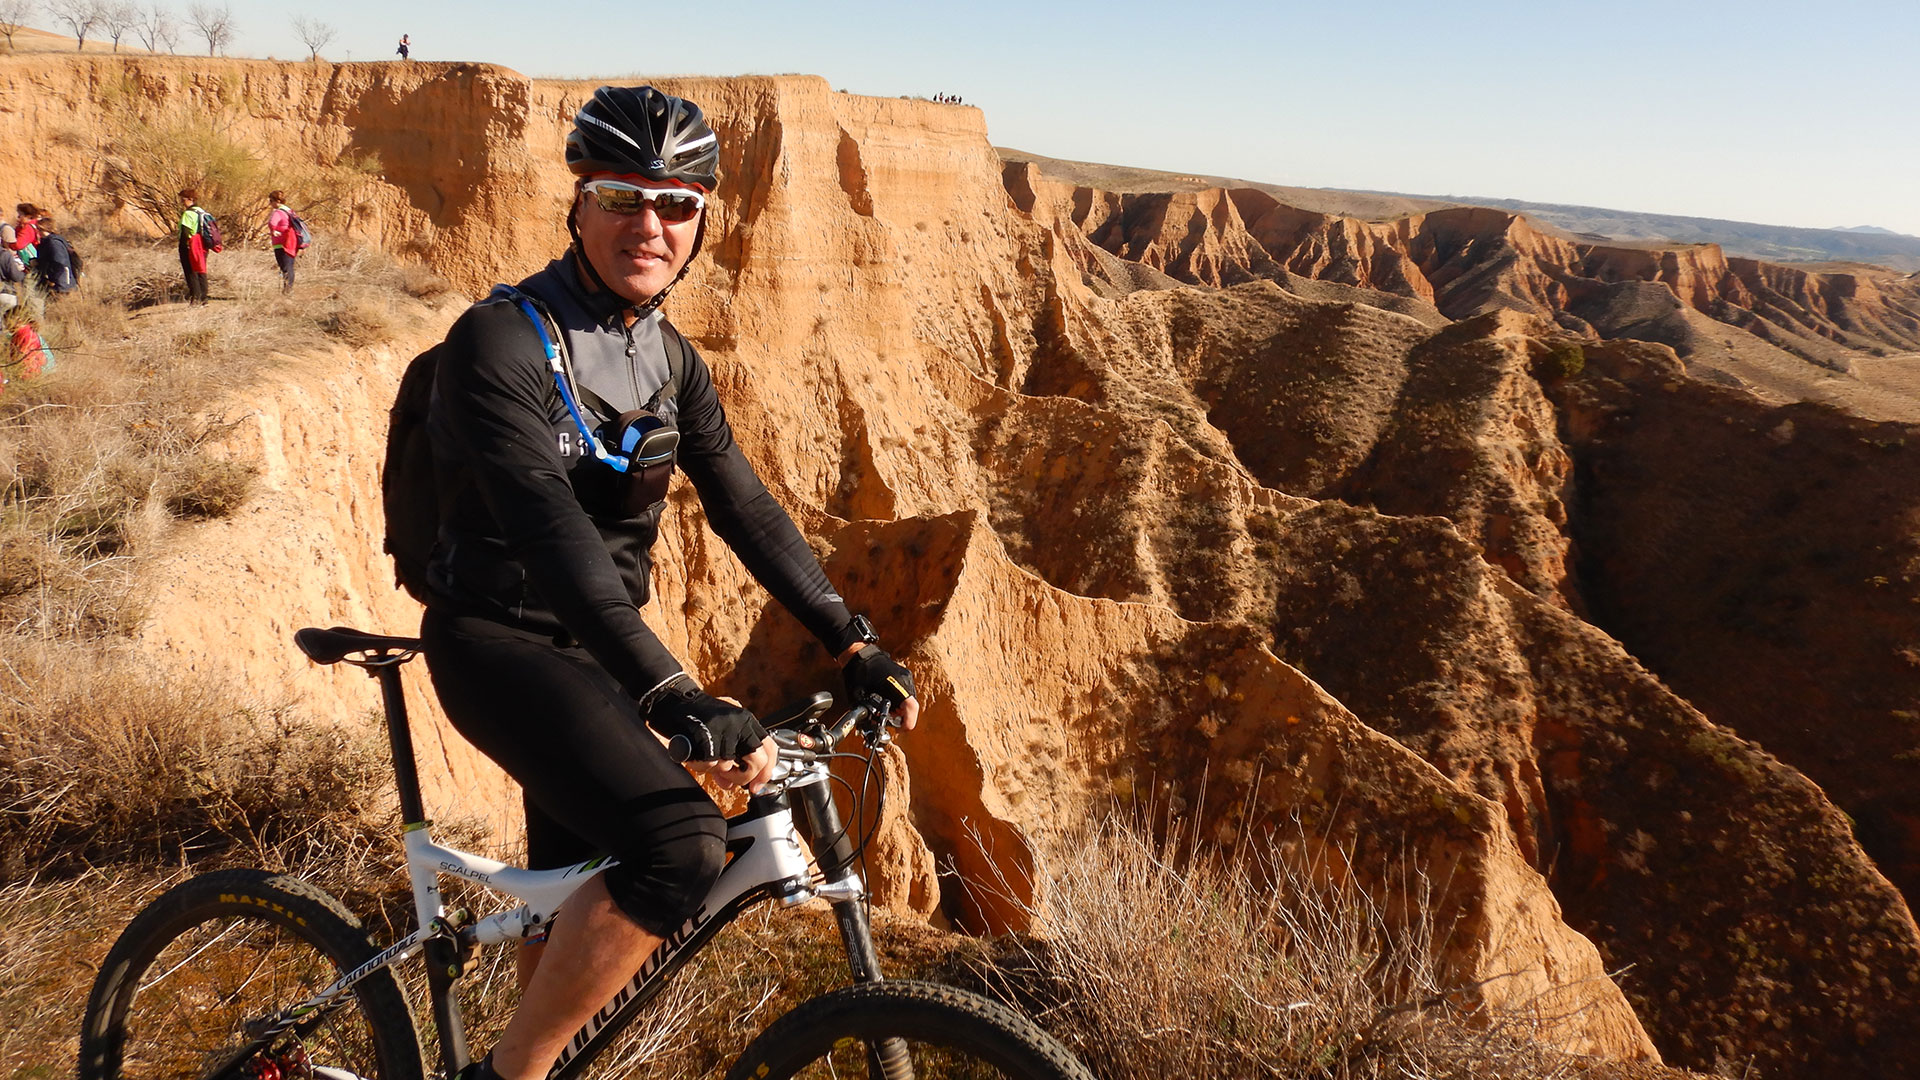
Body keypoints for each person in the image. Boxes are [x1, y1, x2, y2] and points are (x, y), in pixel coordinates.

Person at [417, 86, 919, 1080]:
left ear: (701, 218)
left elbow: (745, 507)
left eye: (677, 203)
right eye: (620, 196)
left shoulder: (669, 359)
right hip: (499, 641)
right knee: (681, 844)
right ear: (578, 202)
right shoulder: (501, 342)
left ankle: (533, 1054)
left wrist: (848, 637)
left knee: (572, 885)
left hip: (594, 649)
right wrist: (673, 693)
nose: (649, 224)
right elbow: (554, 536)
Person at [177, 189, 215, 305]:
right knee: (201, 270)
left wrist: (183, 246)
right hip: (202, 245)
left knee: (191, 271)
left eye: (183, 199)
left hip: (191, 245)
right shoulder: (201, 211)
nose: (182, 202)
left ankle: (195, 298)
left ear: (190, 199)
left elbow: (186, 231)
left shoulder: (188, 214)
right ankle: (204, 298)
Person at [265, 191, 303, 293]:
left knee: (285, 268)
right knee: (289, 266)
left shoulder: (278, 212)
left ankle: (287, 291)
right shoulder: (290, 211)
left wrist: (273, 231)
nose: (270, 203)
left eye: (271, 200)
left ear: (277, 201)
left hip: (281, 243)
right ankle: (288, 290)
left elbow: (272, 222)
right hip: (292, 242)